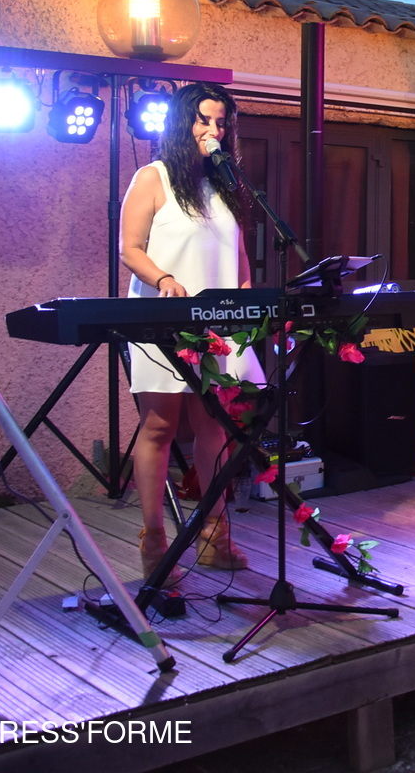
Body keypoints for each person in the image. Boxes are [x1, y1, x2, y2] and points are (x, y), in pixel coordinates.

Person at [119, 82, 264, 582]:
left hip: (218, 325)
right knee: (160, 427)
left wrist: (247, 299)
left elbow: (238, 258)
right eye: (204, 120)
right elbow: (130, 248)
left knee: (215, 428)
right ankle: (154, 539)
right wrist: (163, 279)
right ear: (183, 123)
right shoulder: (152, 177)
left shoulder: (226, 184)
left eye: (221, 122)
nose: (213, 129)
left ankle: (213, 532)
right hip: (163, 320)